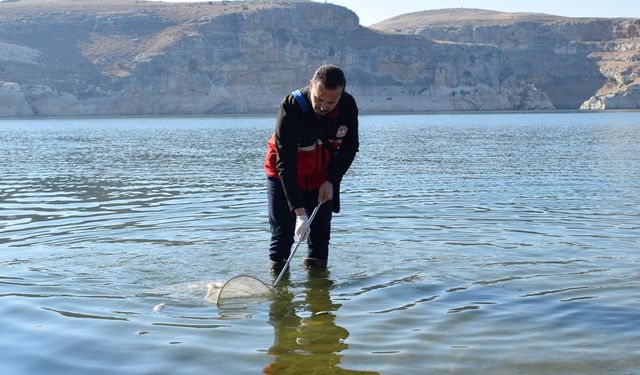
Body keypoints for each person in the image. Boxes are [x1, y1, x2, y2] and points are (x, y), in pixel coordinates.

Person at [264, 64, 359, 272]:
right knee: (283, 234)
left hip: (320, 177)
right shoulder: (290, 107)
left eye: (331, 102)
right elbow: (285, 164)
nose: (324, 106)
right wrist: (300, 214)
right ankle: (280, 291)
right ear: (311, 86)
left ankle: (318, 297)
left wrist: (331, 181)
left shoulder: (348, 106)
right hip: (283, 176)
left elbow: (350, 148)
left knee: (320, 236)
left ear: (341, 94)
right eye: (319, 99)